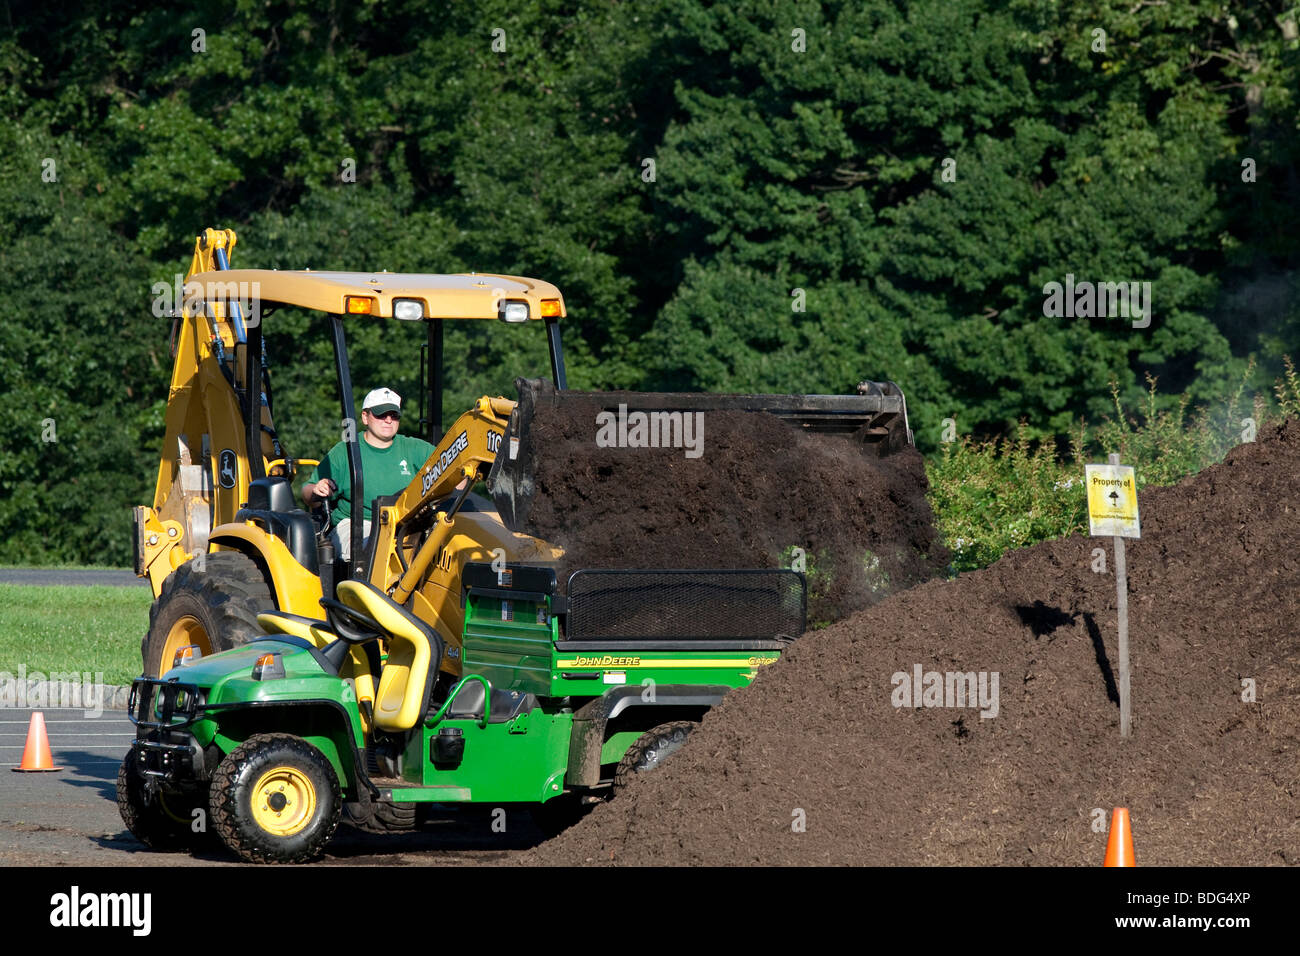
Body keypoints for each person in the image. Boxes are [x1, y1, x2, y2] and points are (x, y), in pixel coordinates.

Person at [302, 387, 436, 561]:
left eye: (394, 416)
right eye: (381, 415)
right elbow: (307, 492)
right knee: (378, 550)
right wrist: (317, 489)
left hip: (408, 526)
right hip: (358, 525)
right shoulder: (346, 451)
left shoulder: (415, 448)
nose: (388, 420)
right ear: (365, 417)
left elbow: (450, 469)